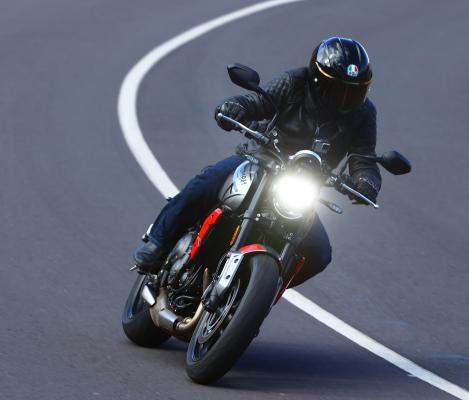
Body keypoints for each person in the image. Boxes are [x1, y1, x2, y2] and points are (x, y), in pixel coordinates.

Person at [133, 37, 381, 286]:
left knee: (319, 253)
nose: (345, 98)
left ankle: (260, 290)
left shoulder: (364, 114)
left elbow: (364, 157)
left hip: (304, 183)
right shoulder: (295, 82)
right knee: (208, 181)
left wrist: (367, 180)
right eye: (338, 89)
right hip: (262, 159)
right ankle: (158, 243)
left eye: (354, 91)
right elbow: (260, 101)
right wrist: (235, 107)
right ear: (318, 80)